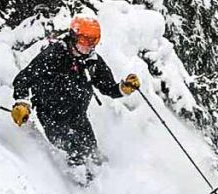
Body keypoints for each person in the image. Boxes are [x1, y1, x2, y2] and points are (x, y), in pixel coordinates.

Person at [10, 16, 140, 175]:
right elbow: (24, 78)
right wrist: (22, 102)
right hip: (51, 115)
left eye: (93, 41)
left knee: (93, 155)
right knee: (75, 151)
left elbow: (108, 88)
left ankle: (107, 182)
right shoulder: (55, 54)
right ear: (73, 36)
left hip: (78, 116)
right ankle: (79, 189)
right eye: (85, 41)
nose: (89, 47)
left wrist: (123, 88)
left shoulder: (92, 61)